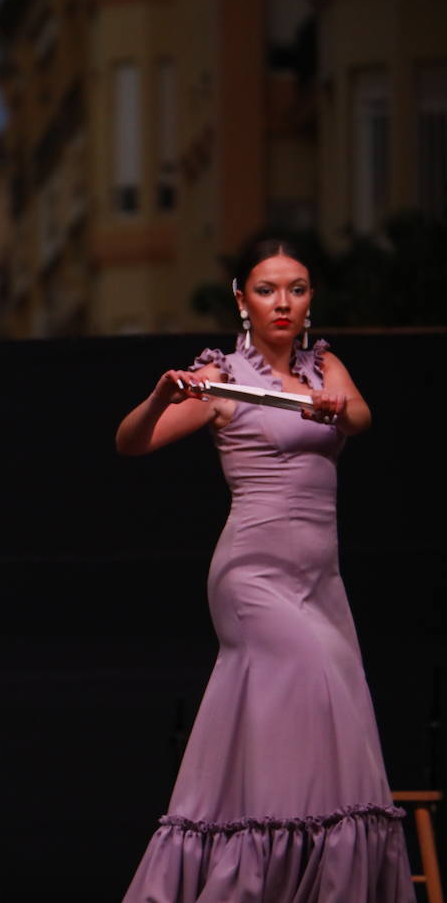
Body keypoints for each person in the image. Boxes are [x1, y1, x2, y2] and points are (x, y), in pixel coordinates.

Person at [115, 239, 413, 901]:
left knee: (330, 723)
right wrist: (162, 395)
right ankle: (258, 878)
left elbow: (360, 416)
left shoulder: (323, 363)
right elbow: (131, 442)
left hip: (320, 580)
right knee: (311, 683)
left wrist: (336, 408)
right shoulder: (222, 376)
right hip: (253, 578)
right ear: (242, 299)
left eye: (298, 288)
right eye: (269, 289)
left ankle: (310, 881)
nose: (284, 302)